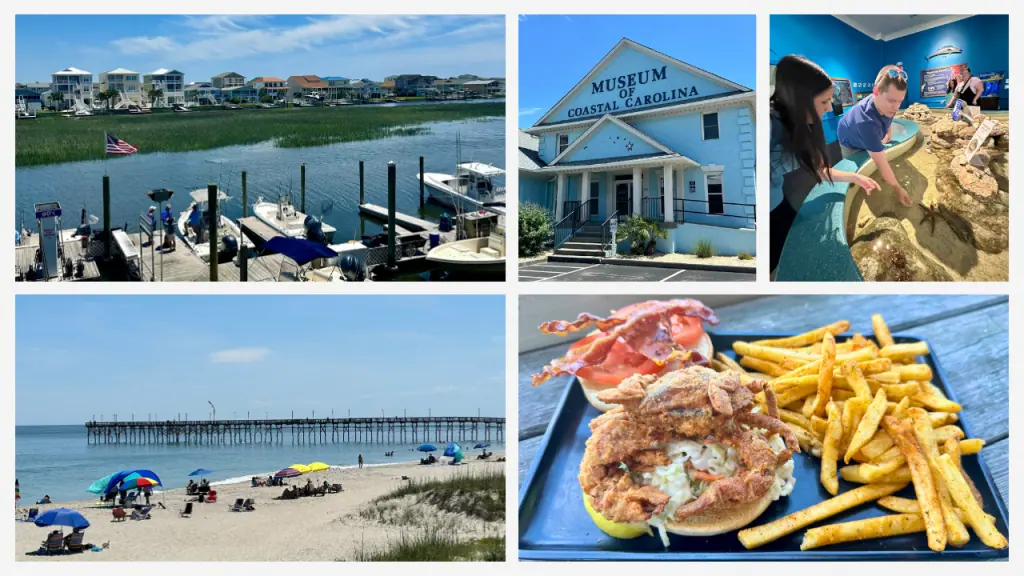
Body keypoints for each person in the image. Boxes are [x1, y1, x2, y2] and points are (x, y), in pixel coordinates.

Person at [769, 55, 881, 272]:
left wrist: (856, 177)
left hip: (779, 202)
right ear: (799, 100)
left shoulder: (805, 123)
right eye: (824, 102)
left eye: (830, 100)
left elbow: (820, 170)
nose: (830, 108)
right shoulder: (769, 125)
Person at [836, 65, 912, 207]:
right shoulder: (866, 122)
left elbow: (889, 116)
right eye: (891, 100)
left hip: (864, 131)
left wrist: (887, 131)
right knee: (855, 172)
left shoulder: (890, 103)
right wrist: (897, 188)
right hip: (849, 138)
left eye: (900, 101)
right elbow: (881, 164)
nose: (896, 107)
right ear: (876, 92)